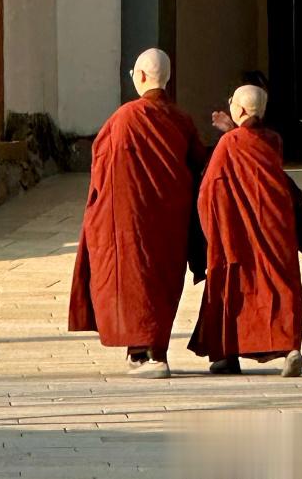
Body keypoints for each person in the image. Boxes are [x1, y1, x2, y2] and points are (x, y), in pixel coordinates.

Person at [68, 48, 206, 379]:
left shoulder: (123, 119)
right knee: (159, 284)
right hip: (171, 223)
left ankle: (149, 356)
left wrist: (97, 214)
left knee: (134, 281)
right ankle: (147, 351)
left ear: (140, 77)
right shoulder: (182, 120)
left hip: (132, 221)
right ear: (167, 79)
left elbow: (102, 171)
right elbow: (201, 168)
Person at [190, 84, 302, 377]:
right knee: (280, 287)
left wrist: (207, 232)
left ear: (238, 110)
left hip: (237, 235)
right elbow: (255, 149)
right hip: (275, 230)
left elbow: (209, 190)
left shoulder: (229, 145)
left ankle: (229, 355)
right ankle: (290, 348)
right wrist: (233, 130)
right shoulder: (274, 140)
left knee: (233, 289)